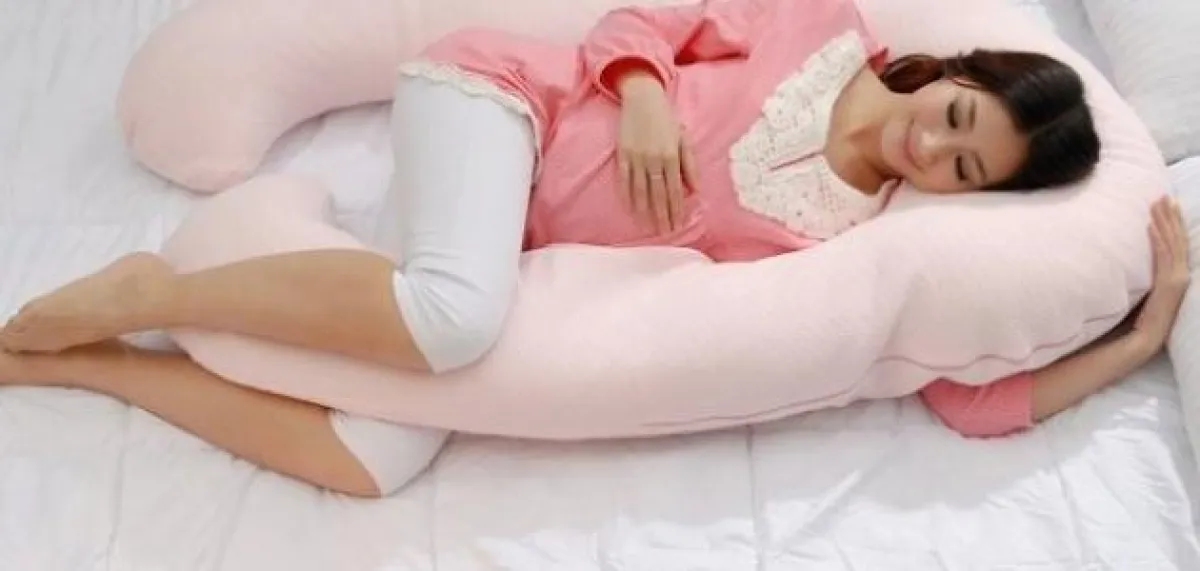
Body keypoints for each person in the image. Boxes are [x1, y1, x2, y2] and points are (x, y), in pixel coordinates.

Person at [0, 0, 1189, 498]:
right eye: (959, 117)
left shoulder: (863, 234)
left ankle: (95, 366)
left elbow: (970, 400)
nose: (934, 147)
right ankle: (157, 291)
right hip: (499, 105)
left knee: (377, 457)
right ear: (958, 75)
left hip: (497, 233)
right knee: (456, 318)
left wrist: (1139, 339)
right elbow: (642, 17)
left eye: (966, 169)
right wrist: (645, 91)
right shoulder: (825, 28)